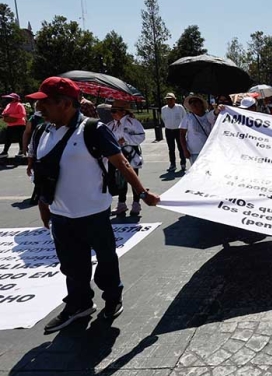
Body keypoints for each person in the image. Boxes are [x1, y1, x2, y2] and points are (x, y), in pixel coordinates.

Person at [26, 77, 159, 332]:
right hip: (61, 215)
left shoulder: (93, 130)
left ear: (65, 104)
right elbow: (43, 172)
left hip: (94, 213)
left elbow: (123, 163)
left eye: (45, 104)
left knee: (106, 260)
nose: (39, 109)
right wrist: (43, 205)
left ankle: (112, 298)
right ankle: (79, 304)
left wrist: (142, 194)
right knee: (72, 266)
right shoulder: (43, 131)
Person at [107, 100, 146, 217]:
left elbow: (141, 136)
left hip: (131, 154)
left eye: (114, 111)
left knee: (133, 178)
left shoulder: (132, 122)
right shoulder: (110, 125)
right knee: (120, 181)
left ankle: (136, 204)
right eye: (111, 111)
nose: (112, 113)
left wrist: (126, 139)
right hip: (117, 156)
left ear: (123, 112)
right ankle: (121, 203)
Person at [179, 94, 214, 165]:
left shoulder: (209, 116)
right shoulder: (188, 117)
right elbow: (182, 135)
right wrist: (185, 150)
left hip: (208, 150)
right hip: (194, 152)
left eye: (195, 101)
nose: (193, 104)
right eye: (191, 102)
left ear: (201, 103)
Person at [161, 93, 187, 172]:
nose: (169, 101)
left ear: (174, 99)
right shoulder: (163, 109)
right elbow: (164, 119)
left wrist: (184, 130)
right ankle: (172, 164)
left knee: (181, 147)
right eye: (167, 99)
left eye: (171, 99)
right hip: (168, 130)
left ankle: (183, 163)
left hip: (178, 130)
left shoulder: (180, 107)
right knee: (171, 149)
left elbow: (184, 117)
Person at [1, 93, 27, 158]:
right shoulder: (8, 105)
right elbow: (4, 112)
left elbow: (22, 114)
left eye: (10, 98)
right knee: (8, 138)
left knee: (20, 138)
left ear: (15, 99)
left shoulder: (19, 105)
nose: (8, 99)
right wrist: (4, 114)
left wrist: (10, 115)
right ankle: (5, 151)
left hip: (20, 124)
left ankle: (22, 151)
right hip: (10, 124)